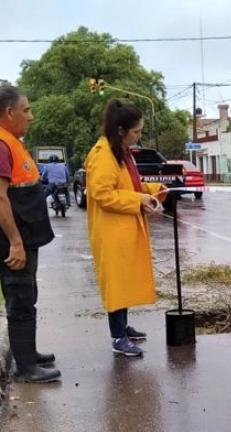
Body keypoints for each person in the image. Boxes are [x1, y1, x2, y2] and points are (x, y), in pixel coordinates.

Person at [0, 85, 61, 383]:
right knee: (20, 297)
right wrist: (15, 242)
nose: (31, 116)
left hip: (23, 236)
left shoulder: (8, 140)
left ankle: (28, 354)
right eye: (26, 110)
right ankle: (26, 367)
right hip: (12, 241)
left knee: (27, 294)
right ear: (9, 112)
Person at [85, 99, 168, 357]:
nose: (139, 136)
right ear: (120, 130)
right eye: (136, 132)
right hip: (112, 232)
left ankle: (123, 326)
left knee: (124, 280)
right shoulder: (104, 156)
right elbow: (103, 194)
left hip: (124, 229)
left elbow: (131, 185)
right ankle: (118, 337)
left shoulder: (122, 152)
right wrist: (138, 200)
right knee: (116, 283)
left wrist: (153, 191)